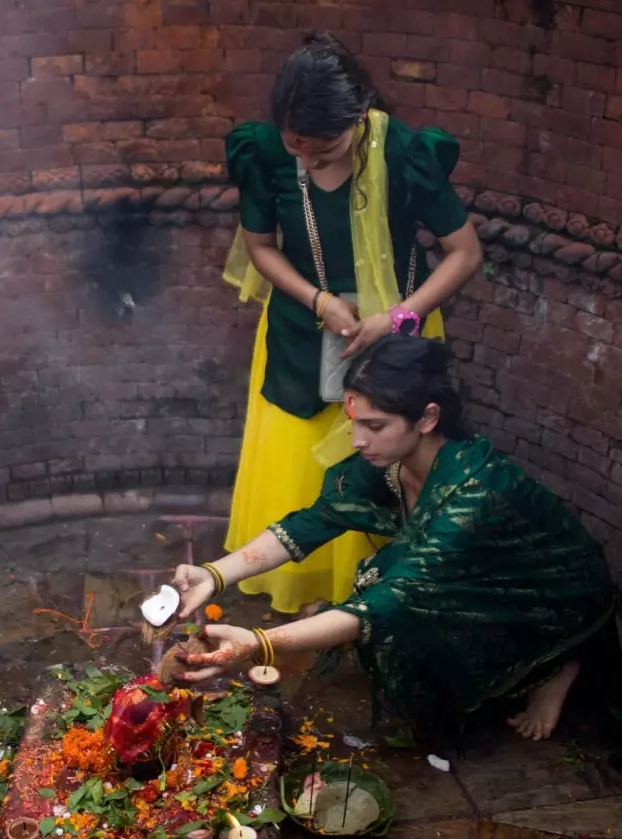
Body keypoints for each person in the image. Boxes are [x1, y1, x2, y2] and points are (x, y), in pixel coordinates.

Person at [172, 334, 616, 743]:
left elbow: (389, 601)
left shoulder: (474, 489)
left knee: (392, 606)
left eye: (376, 426)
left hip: (554, 592)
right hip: (482, 573)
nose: (359, 441)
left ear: (427, 418)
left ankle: (559, 663)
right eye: (355, 423)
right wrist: (214, 574)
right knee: (390, 605)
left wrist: (260, 643)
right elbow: (313, 522)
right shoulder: (388, 461)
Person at [223, 30, 483, 615]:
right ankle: (310, 594)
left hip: (399, 334)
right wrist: (320, 302)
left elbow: (464, 253)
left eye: (323, 150)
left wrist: (397, 317)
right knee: (300, 465)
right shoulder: (265, 151)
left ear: (360, 116)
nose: (307, 161)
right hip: (301, 329)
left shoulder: (405, 153)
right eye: (297, 149)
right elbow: (261, 247)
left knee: (387, 460)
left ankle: (375, 601)